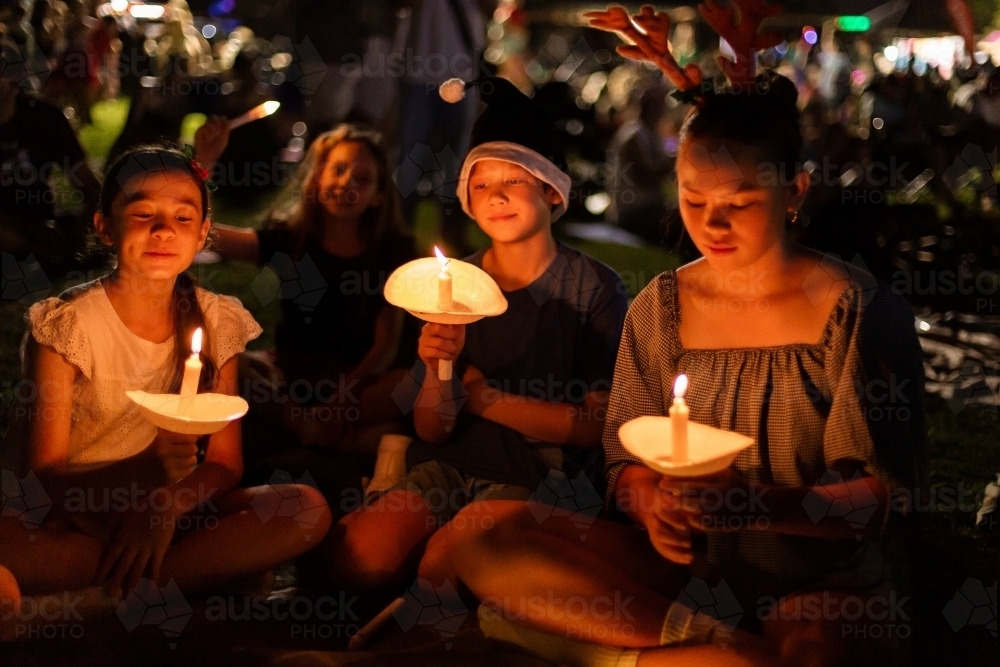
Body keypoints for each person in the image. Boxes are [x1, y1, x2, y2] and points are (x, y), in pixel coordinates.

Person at [416, 72, 927, 667]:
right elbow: (626, 464)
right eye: (693, 200)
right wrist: (652, 504)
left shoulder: (856, 313)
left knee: (815, 654)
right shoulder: (661, 307)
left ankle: (608, 651)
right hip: (685, 563)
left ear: (795, 192)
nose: (712, 224)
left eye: (739, 203)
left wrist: (754, 506)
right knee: (483, 531)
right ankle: (713, 647)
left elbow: (880, 497)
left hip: (818, 581)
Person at [313, 77, 629, 594]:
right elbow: (433, 428)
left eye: (515, 180)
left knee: (443, 570)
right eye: (481, 184)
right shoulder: (452, 284)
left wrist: (482, 399)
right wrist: (437, 370)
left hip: (539, 475)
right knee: (357, 560)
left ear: (552, 190)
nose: (496, 195)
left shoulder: (592, 288)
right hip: (449, 461)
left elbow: (597, 428)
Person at [0, 145, 332, 604]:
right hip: (63, 514)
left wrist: (164, 503)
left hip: (162, 515)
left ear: (202, 234)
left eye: (181, 218)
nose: (162, 230)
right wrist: (143, 471)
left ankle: (107, 592)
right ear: (105, 228)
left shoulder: (218, 323)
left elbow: (223, 464)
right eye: (142, 214)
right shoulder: (67, 327)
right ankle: (172, 581)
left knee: (302, 509)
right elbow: (43, 480)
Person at [196, 121, 419, 455]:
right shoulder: (291, 240)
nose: (347, 183)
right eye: (339, 170)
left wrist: (341, 400)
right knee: (224, 362)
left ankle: (302, 431)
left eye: (363, 179)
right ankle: (318, 431)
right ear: (317, 179)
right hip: (289, 376)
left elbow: (385, 346)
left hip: (359, 382)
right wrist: (203, 162)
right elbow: (203, 233)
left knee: (411, 385)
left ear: (378, 197)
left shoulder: (393, 252)